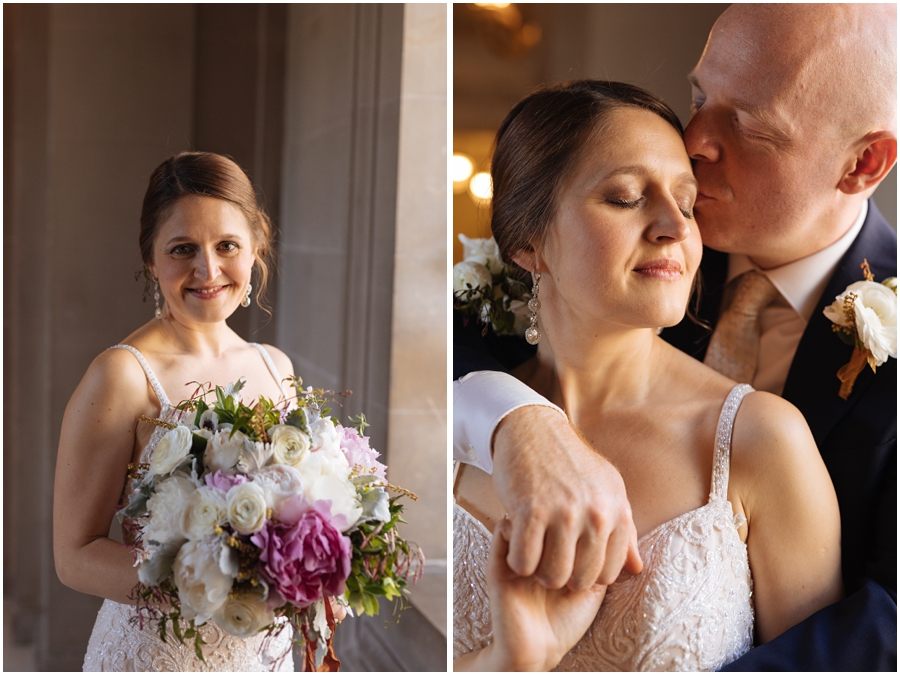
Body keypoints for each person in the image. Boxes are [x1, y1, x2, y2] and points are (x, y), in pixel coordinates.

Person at [454, 4, 897, 670]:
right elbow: (438, 343)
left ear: (864, 162)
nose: (693, 139)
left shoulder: (771, 431)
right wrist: (514, 420)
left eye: (748, 122)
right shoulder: (614, 259)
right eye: (700, 96)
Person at [53, 152, 296, 671]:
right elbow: (74, 556)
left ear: (256, 247)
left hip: (264, 654)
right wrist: (211, 590)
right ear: (151, 261)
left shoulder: (276, 367)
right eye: (182, 249)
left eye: (227, 245)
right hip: (161, 655)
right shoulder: (121, 374)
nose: (207, 270)